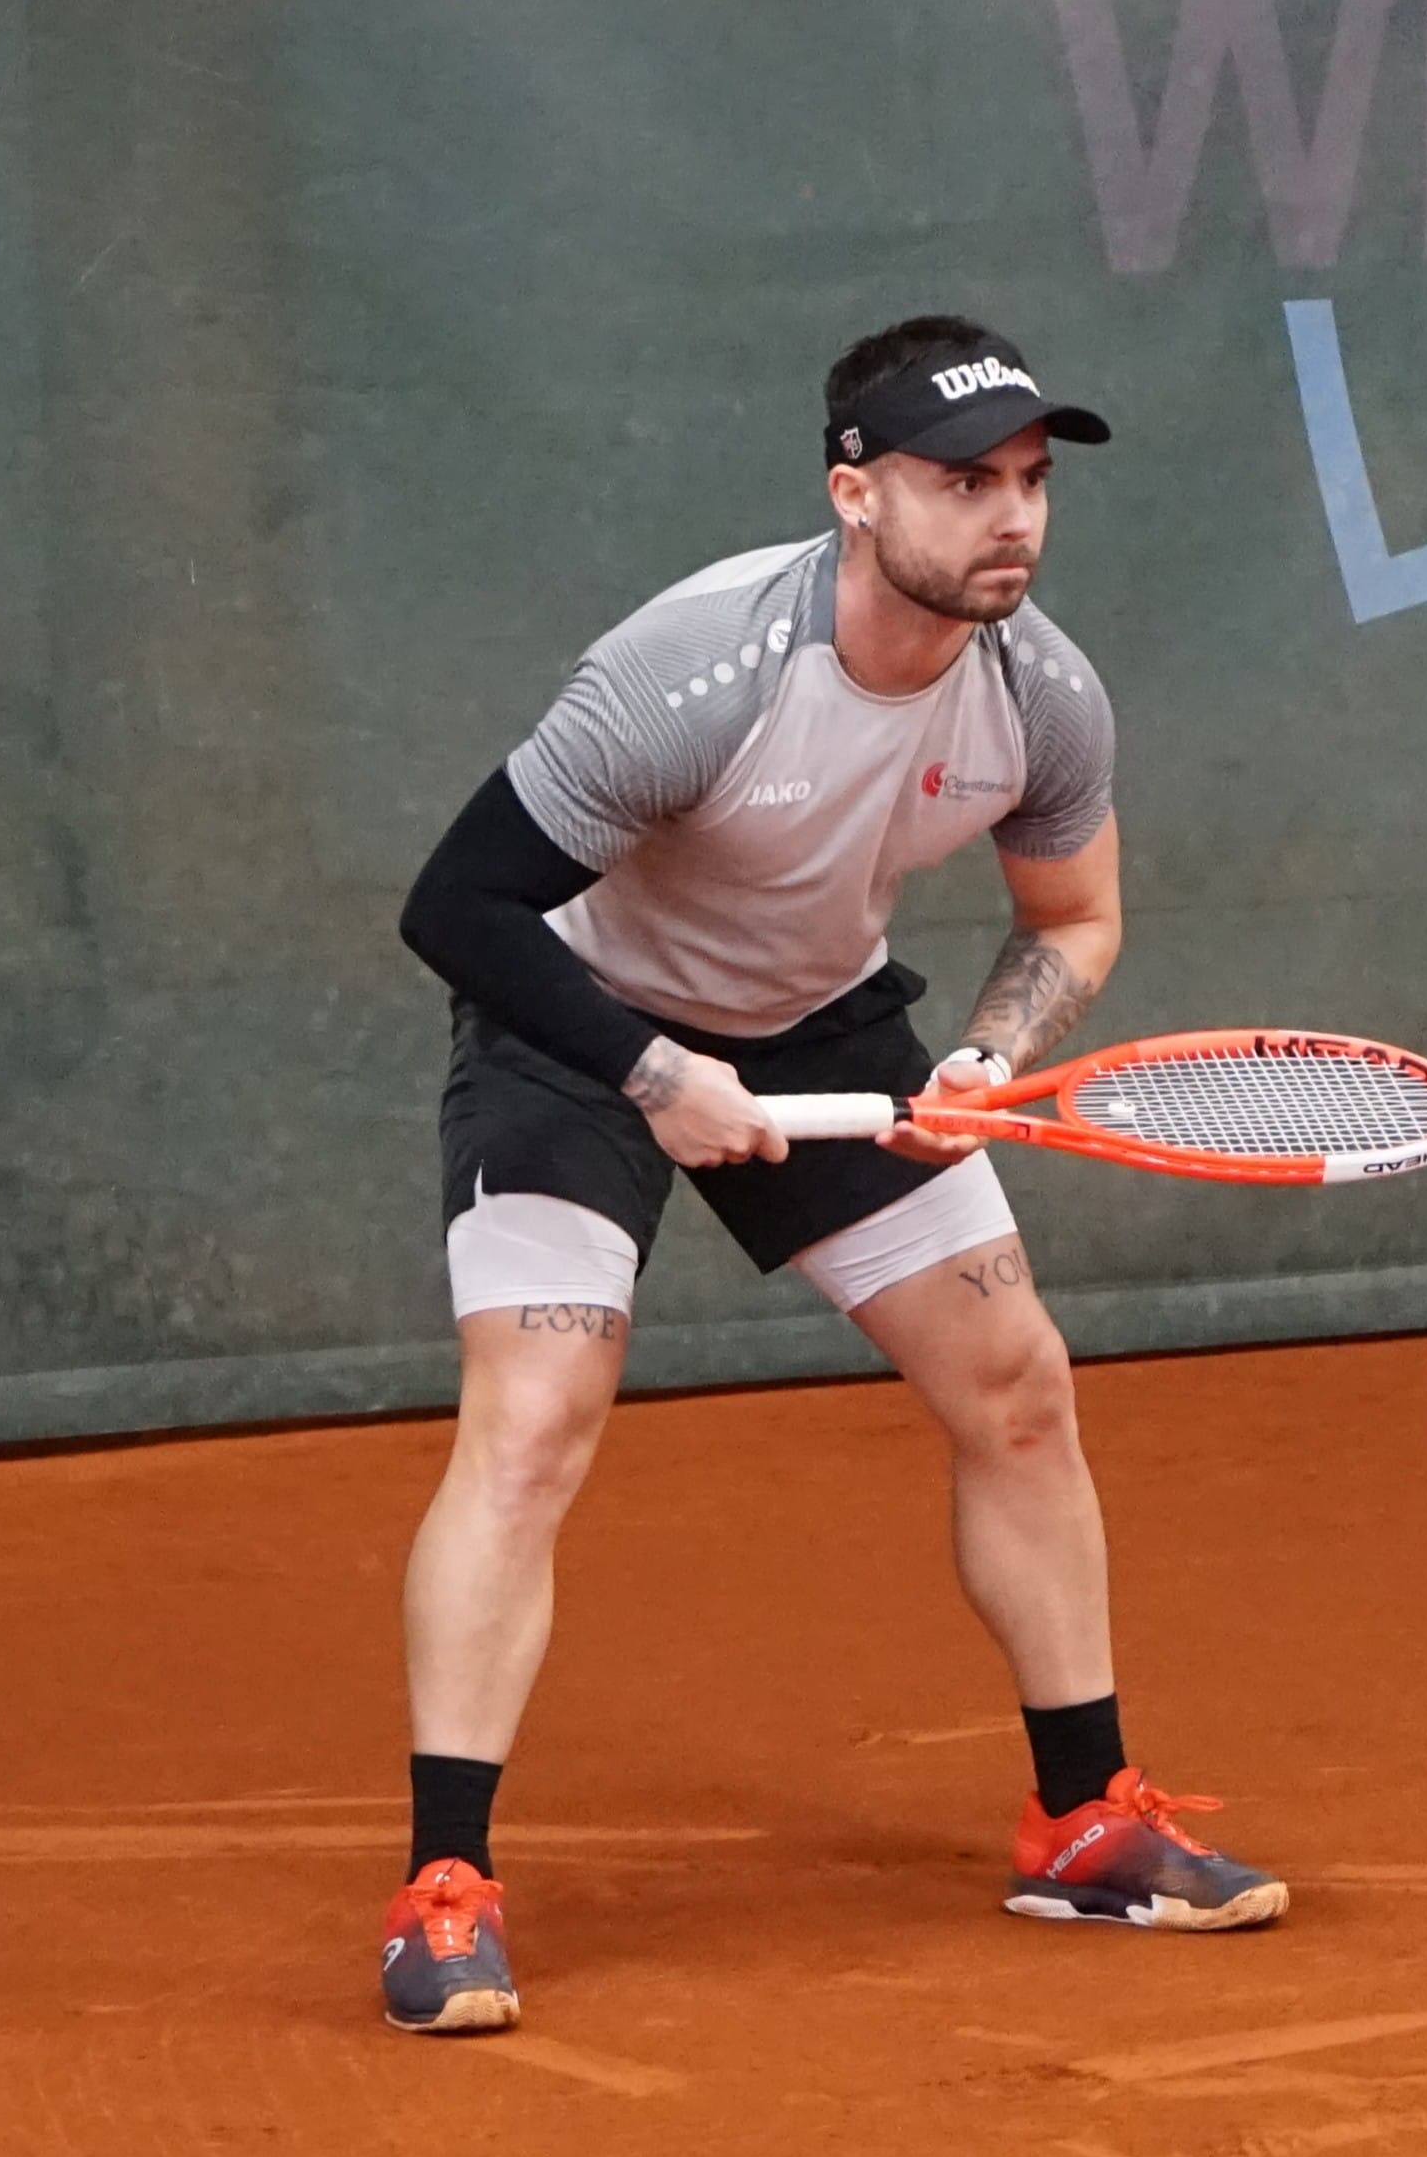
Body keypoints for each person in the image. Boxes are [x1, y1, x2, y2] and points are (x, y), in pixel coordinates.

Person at [386, 314, 1285, 2033]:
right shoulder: (698, 670)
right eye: (964, 482)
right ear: (854, 493)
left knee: (1015, 1384)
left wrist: (985, 1059)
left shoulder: (1043, 694)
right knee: (536, 1418)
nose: (1010, 517)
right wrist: (650, 1073)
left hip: (817, 1024)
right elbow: (459, 905)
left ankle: (1082, 1817)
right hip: (574, 1027)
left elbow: (1071, 918)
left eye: (1029, 481)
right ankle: (446, 1890)